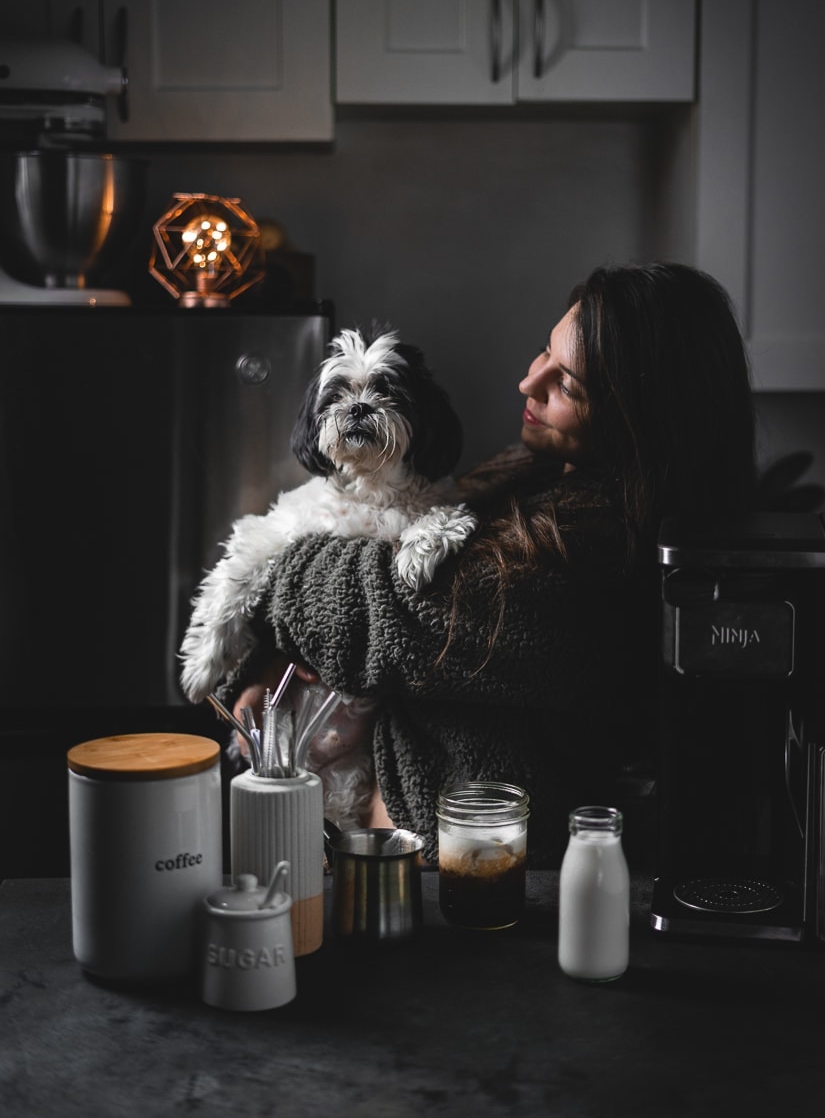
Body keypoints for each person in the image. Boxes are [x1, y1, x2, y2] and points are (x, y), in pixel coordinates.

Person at [214, 261, 757, 867]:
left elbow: (375, 611)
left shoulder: (591, 556)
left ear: (641, 421)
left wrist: (276, 564)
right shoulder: (521, 477)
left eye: (568, 386)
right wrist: (265, 666)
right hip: (366, 840)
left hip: (466, 881)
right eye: (542, 354)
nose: (530, 384)